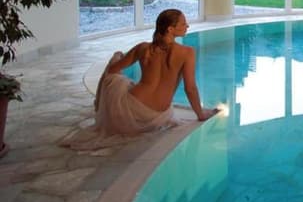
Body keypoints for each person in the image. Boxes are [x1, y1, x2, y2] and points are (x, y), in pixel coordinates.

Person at [62, 9, 218, 150]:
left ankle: (100, 103)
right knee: (118, 61)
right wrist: (200, 114)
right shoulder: (187, 52)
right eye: (183, 23)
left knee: (116, 59)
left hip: (130, 108)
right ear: (170, 29)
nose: (187, 26)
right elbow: (190, 88)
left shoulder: (143, 48)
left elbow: (112, 70)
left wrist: (119, 63)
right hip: (155, 115)